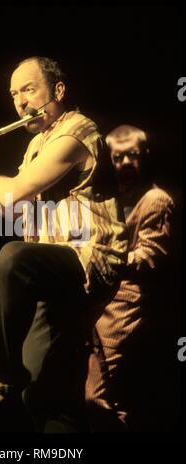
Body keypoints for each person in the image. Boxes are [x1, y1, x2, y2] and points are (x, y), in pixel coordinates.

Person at [0, 57, 127, 430]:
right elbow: (14, 213)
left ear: (58, 91)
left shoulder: (77, 130)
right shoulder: (36, 144)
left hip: (88, 258)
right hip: (50, 272)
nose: (20, 102)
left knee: (13, 257)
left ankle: (0, 369)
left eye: (28, 89)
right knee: (42, 395)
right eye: (14, 94)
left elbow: (13, 191)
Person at [85, 124, 177, 432]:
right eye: (118, 157)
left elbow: (150, 254)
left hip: (124, 312)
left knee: (100, 400)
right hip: (96, 309)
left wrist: (103, 256)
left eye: (132, 156)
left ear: (144, 157)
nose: (125, 163)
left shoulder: (155, 200)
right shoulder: (107, 199)